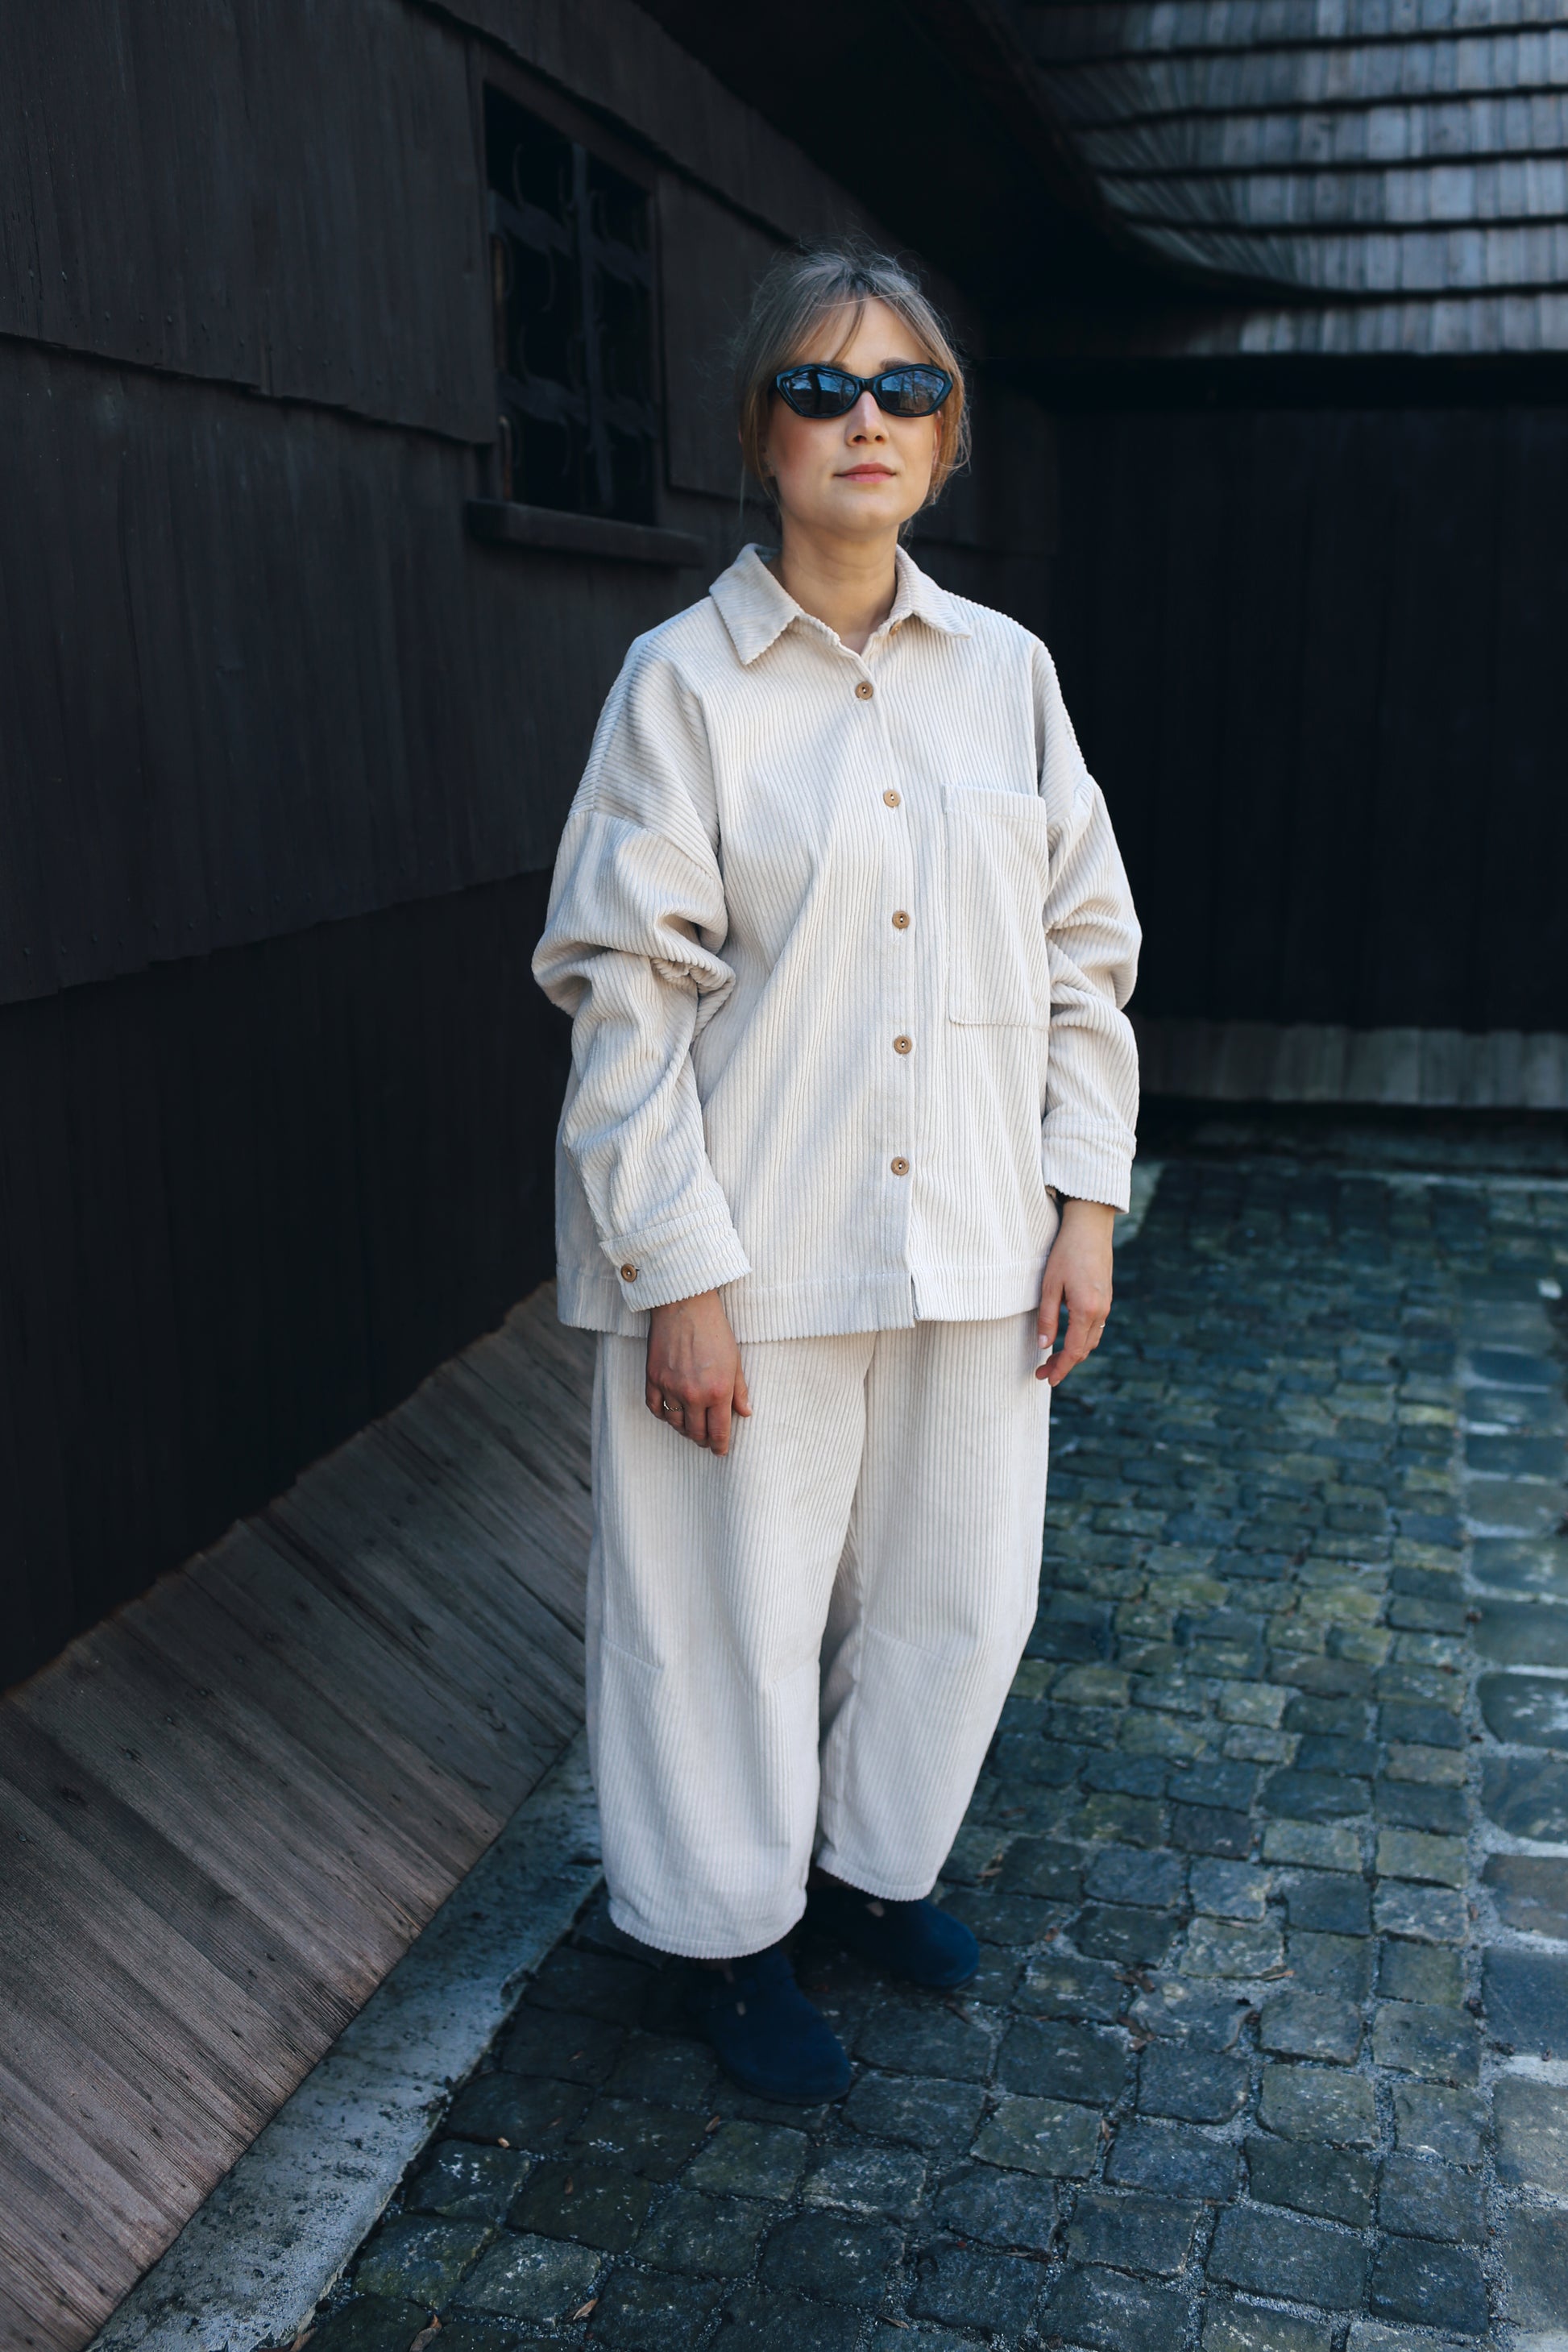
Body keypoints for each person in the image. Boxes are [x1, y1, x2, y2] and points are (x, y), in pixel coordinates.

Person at [533, 243, 1140, 2102]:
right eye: (821, 386)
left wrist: (1083, 1202)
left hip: (973, 1230)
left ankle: (872, 1869)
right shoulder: (680, 687)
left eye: (904, 389)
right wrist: (675, 1274)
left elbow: (1083, 949)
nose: (864, 418)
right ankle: (723, 1936)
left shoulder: (1008, 679)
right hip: (750, 1241)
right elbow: (624, 991)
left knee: (958, 1586)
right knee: (723, 1609)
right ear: (760, 432)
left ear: (946, 440)